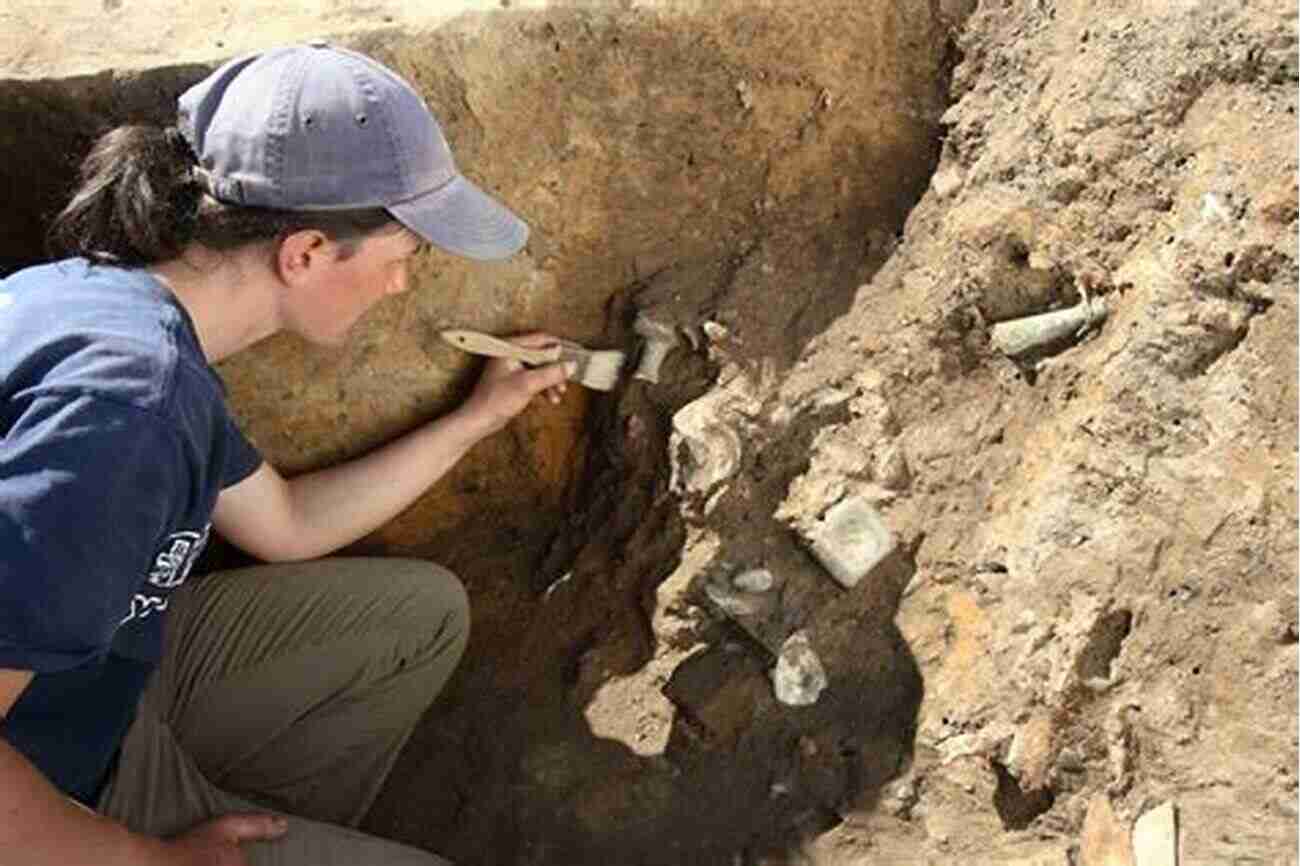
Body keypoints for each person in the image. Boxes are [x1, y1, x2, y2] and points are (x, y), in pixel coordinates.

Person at [0, 42, 570, 865]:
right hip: (51, 786)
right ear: (305, 253)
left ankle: (240, 829)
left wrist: (479, 417)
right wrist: (147, 858)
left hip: (99, 691)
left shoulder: (99, 305)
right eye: (402, 257)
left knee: (415, 617)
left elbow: (289, 524)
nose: (401, 286)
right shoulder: (128, 411)